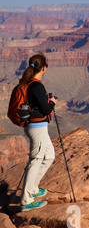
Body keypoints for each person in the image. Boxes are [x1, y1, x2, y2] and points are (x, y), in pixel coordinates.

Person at [19, 53, 58, 212]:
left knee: (49, 155)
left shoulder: (28, 83)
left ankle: (33, 188)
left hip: (35, 126)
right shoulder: (37, 86)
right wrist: (53, 103)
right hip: (37, 128)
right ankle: (26, 200)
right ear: (44, 68)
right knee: (35, 161)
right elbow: (46, 109)